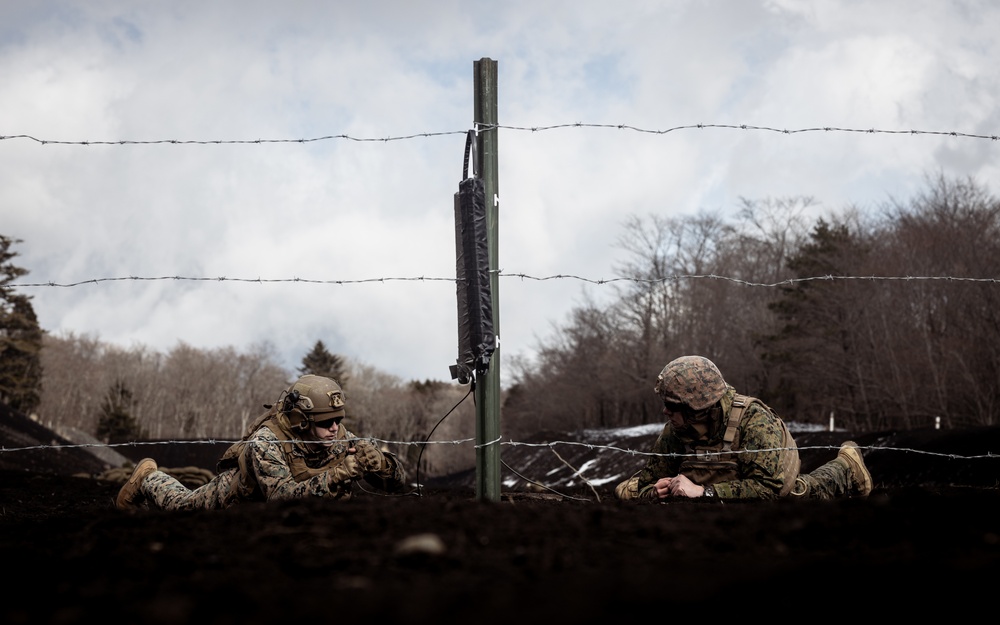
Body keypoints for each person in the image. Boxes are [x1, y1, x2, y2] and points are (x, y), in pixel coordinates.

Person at [116, 374, 406, 510]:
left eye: (338, 421)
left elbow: (398, 483)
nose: (334, 429)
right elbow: (281, 498)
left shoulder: (338, 436)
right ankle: (148, 479)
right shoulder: (267, 441)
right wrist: (341, 473)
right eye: (325, 423)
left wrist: (381, 465)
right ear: (302, 420)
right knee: (181, 507)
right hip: (240, 496)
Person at [615, 355, 872, 501]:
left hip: (768, 480)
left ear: (698, 408)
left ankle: (846, 466)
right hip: (724, 487)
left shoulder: (754, 420)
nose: (665, 411)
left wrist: (704, 492)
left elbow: (769, 488)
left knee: (794, 496)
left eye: (672, 405)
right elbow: (645, 484)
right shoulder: (675, 429)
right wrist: (654, 492)